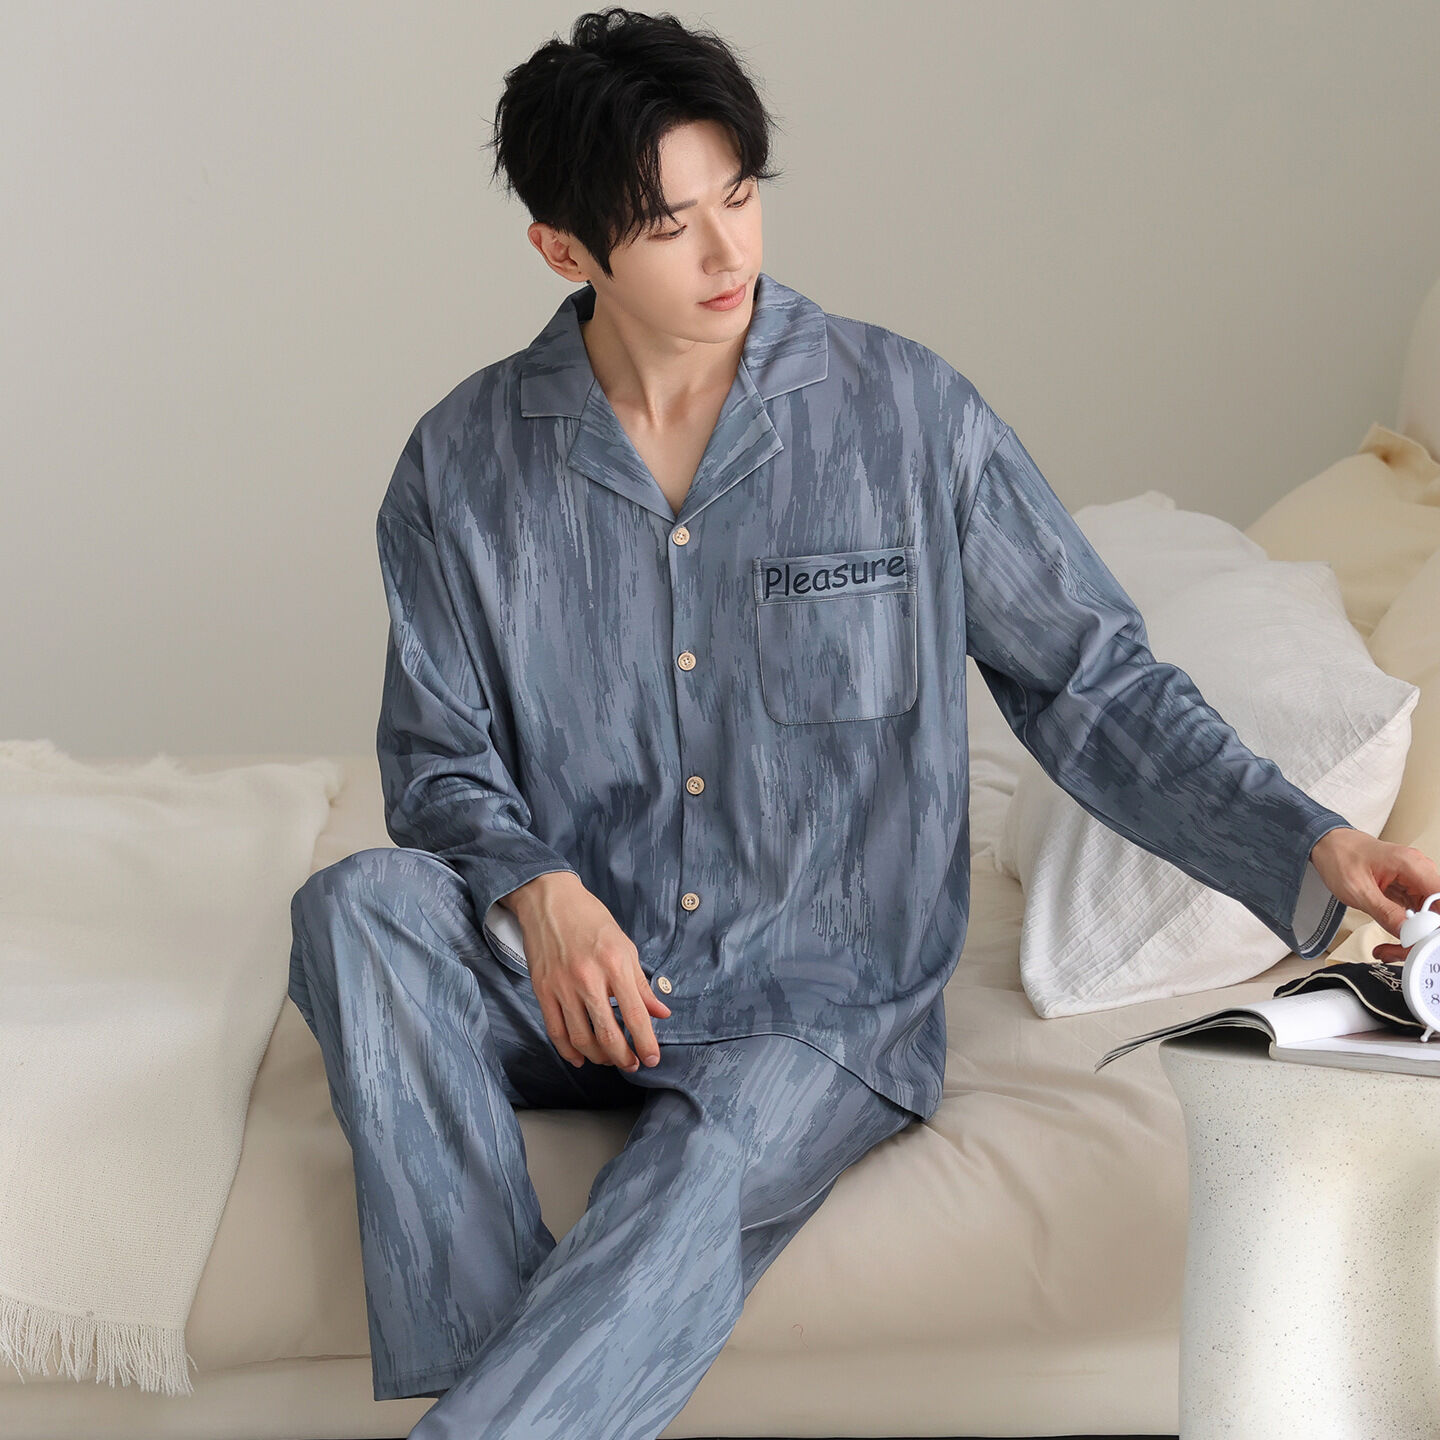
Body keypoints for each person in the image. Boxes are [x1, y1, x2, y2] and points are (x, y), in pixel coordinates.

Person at [286, 8, 1440, 1438]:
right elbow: (438, 759)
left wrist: (1313, 840)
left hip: (816, 998)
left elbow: (1089, 680)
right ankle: (509, 1379)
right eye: (668, 227)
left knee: (692, 1182)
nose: (727, 253)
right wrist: (540, 890)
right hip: (579, 980)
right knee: (357, 908)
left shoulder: (907, 418)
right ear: (564, 250)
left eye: (740, 196)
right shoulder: (460, 466)